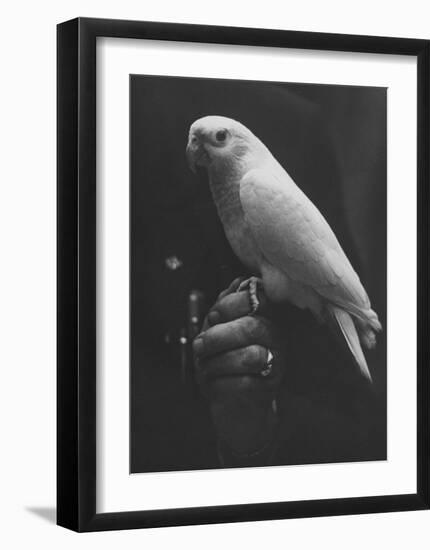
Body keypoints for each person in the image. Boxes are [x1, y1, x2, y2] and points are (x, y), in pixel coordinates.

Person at [130, 76, 386, 472]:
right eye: (196, 140)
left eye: (217, 138)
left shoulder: (260, 184)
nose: (199, 148)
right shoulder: (225, 183)